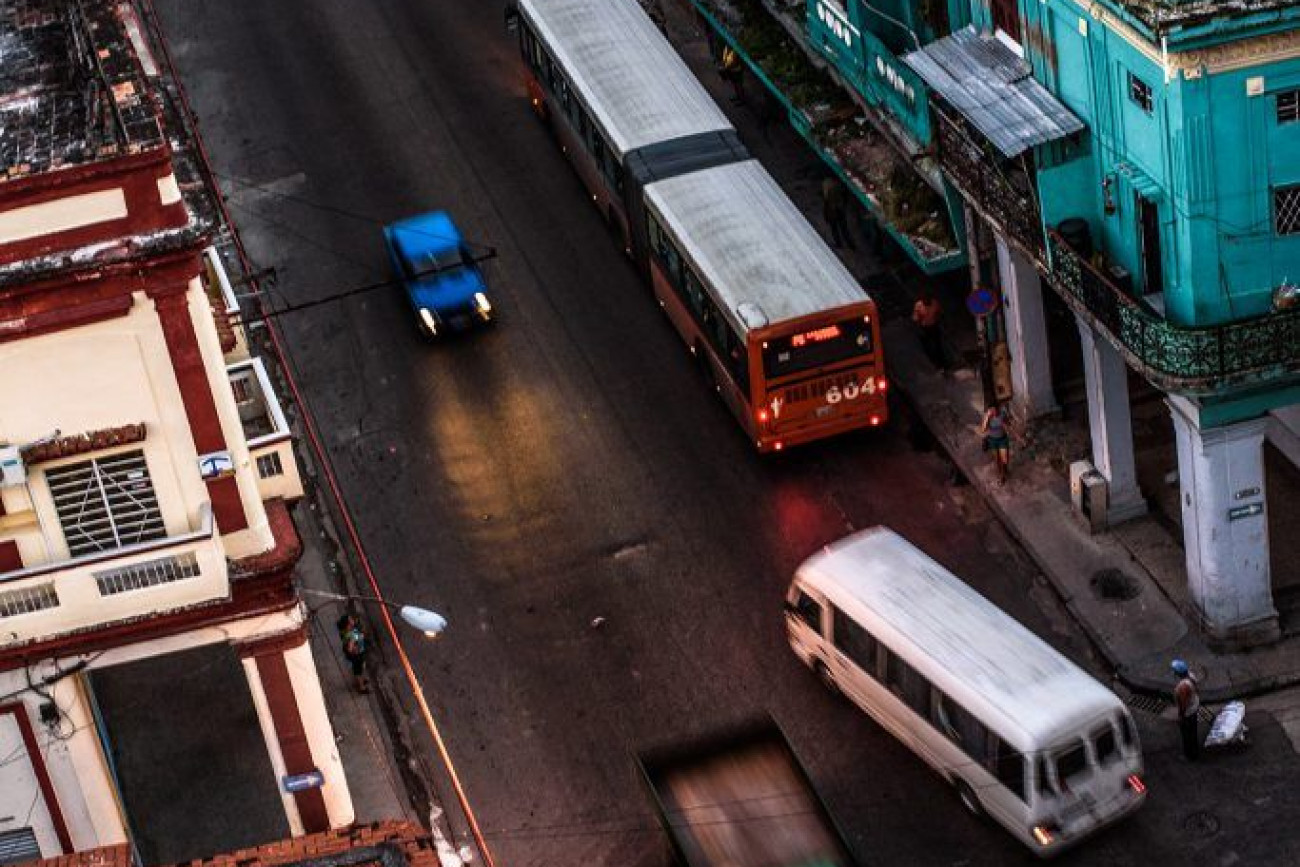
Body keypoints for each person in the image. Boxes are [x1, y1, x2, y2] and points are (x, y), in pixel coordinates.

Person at [1172, 659, 1201, 761]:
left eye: (1174, 671)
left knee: (1187, 735)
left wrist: (1181, 715)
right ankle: (1195, 751)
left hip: (1188, 713)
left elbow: (1183, 703)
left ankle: (1189, 755)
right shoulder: (1191, 676)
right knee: (1193, 732)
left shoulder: (1183, 687)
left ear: (1177, 673)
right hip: (1194, 706)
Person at [912, 289, 945, 371]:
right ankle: (933, 363)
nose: (926, 300)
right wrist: (919, 327)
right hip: (924, 328)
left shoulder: (934, 303)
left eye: (928, 298)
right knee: (928, 347)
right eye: (925, 299)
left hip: (934, 326)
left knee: (938, 345)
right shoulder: (919, 305)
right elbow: (915, 318)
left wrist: (938, 320)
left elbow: (939, 312)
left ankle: (942, 363)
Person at [338, 613, 371, 694]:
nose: (353, 620)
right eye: (351, 620)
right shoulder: (352, 635)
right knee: (358, 671)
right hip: (357, 656)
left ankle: (361, 680)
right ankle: (362, 688)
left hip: (356, 655)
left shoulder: (346, 632)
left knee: (359, 668)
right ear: (348, 625)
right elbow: (350, 647)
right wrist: (355, 649)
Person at [978, 404, 1011, 485]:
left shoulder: (1002, 414)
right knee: (997, 460)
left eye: (995, 410)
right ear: (989, 411)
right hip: (993, 440)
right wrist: (987, 417)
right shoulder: (987, 417)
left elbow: (1008, 424)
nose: (994, 412)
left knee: (1004, 459)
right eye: (992, 411)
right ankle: (1001, 476)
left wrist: (1005, 425)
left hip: (1002, 439)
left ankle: (1004, 471)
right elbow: (982, 430)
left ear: (998, 409)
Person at [821, 176, 854, 250]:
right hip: (839, 210)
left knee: (835, 228)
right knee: (843, 228)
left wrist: (826, 214)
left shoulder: (828, 186)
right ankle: (850, 245)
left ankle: (840, 244)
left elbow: (826, 200)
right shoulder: (839, 186)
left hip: (833, 211)